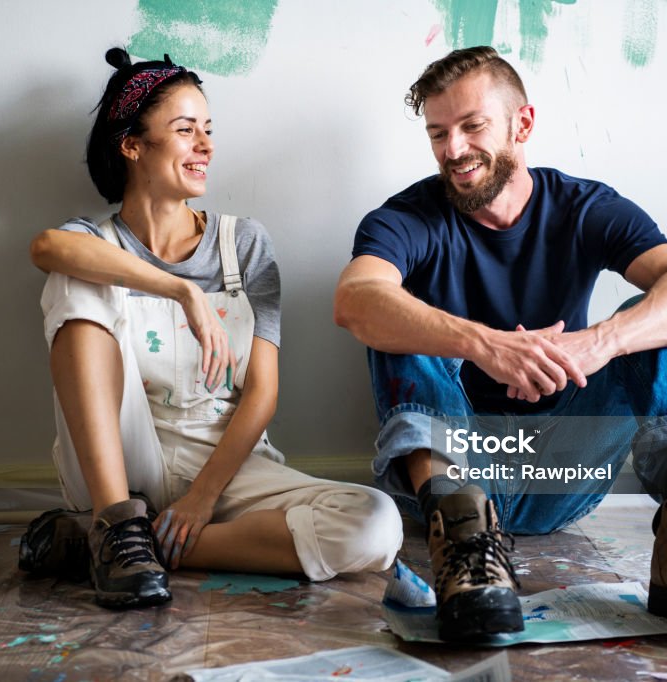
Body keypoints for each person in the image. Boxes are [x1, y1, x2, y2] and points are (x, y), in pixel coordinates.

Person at [333, 46, 667, 640]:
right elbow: (354, 301)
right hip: (451, 477)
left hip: (561, 470)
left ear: (524, 123)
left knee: (653, 316)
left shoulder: (585, 206)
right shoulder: (406, 218)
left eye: (472, 126)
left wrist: (601, 343)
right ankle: (468, 555)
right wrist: (484, 344)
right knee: (398, 314)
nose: (453, 149)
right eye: (438, 133)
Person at [20, 48, 402, 609]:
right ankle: (115, 520)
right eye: (184, 130)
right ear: (131, 145)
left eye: (208, 129)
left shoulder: (245, 244)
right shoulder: (94, 239)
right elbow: (45, 248)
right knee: (72, 276)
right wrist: (180, 289)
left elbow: (263, 393)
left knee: (376, 525)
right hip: (124, 458)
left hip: (225, 460)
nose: (206, 145)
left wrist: (202, 497)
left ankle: (123, 547)